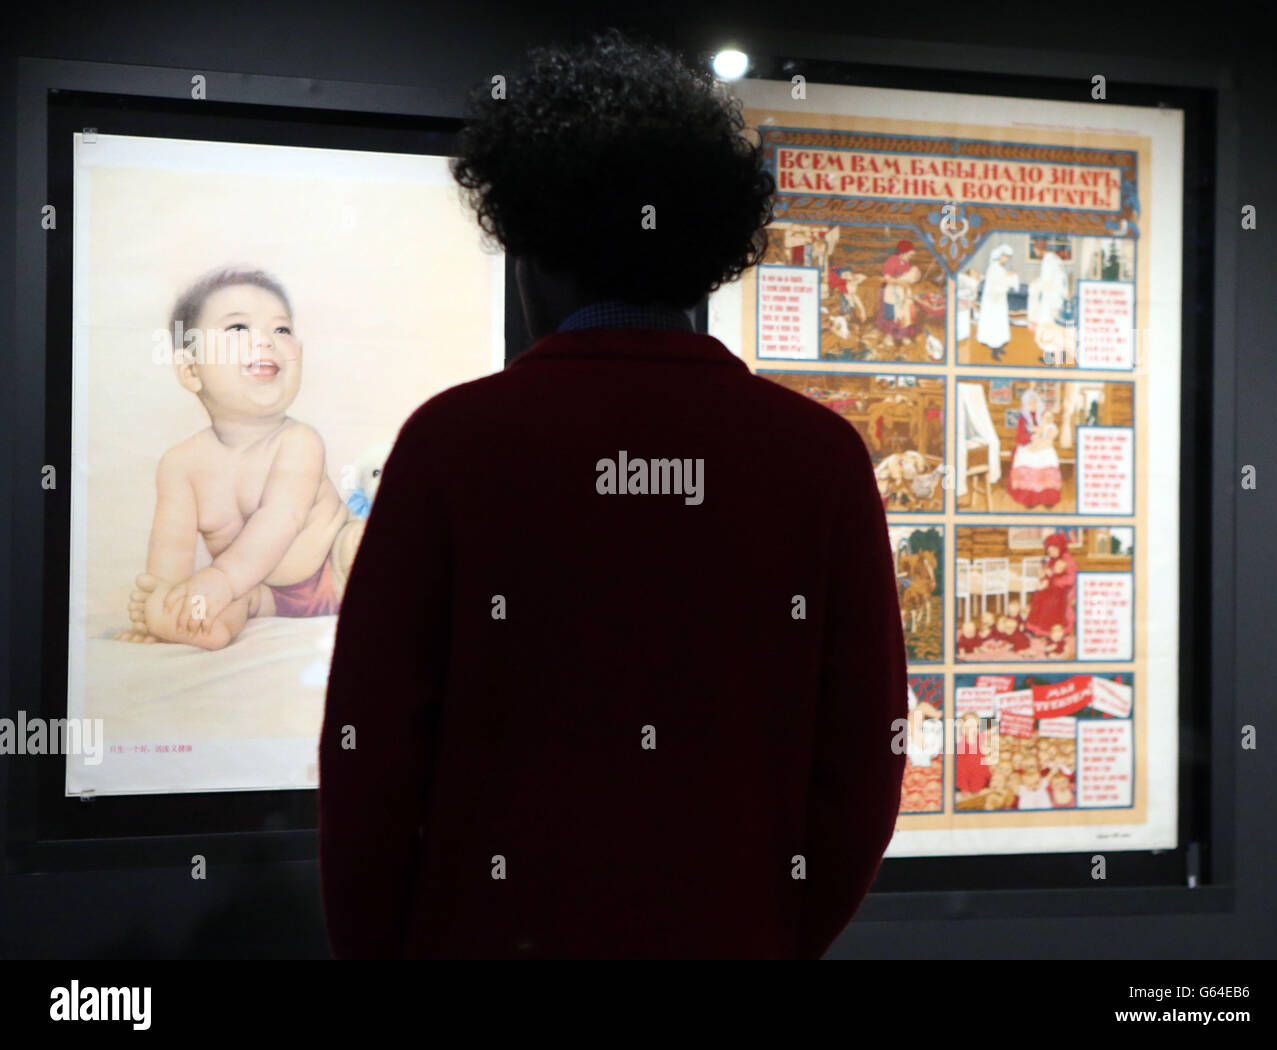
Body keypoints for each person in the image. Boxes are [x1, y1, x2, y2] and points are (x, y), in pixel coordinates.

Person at [317, 29, 908, 961]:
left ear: (528, 244)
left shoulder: (451, 446)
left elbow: (370, 761)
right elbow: (863, 773)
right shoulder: (818, 459)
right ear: (710, 247)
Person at [116, 268, 365, 650]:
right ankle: (197, 627)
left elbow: (280, 521)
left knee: (365, 541)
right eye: (238, 329)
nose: (266, 340)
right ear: (190, 370)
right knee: (213, 605)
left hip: (338, 566)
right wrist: (166, 600)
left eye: (281, 330)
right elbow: (172, 550)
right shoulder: (180, 464)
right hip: (262, 593)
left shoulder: (299, 442)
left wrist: (220, 580)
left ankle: (398, 600)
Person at [975, 244, 1016, 360]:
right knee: (995, 324)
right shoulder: (994, 268)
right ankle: (994, 351)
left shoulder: (1000, 268)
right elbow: (995, 286)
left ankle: (999, 346)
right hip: (993, 301)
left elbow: (1001, 281)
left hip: (999, 300)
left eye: (1009, 257)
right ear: (1000, 256)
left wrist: (1008, 277)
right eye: (1006, 256)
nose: (1007, 259)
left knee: (1000, 323)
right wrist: (1007, 282)